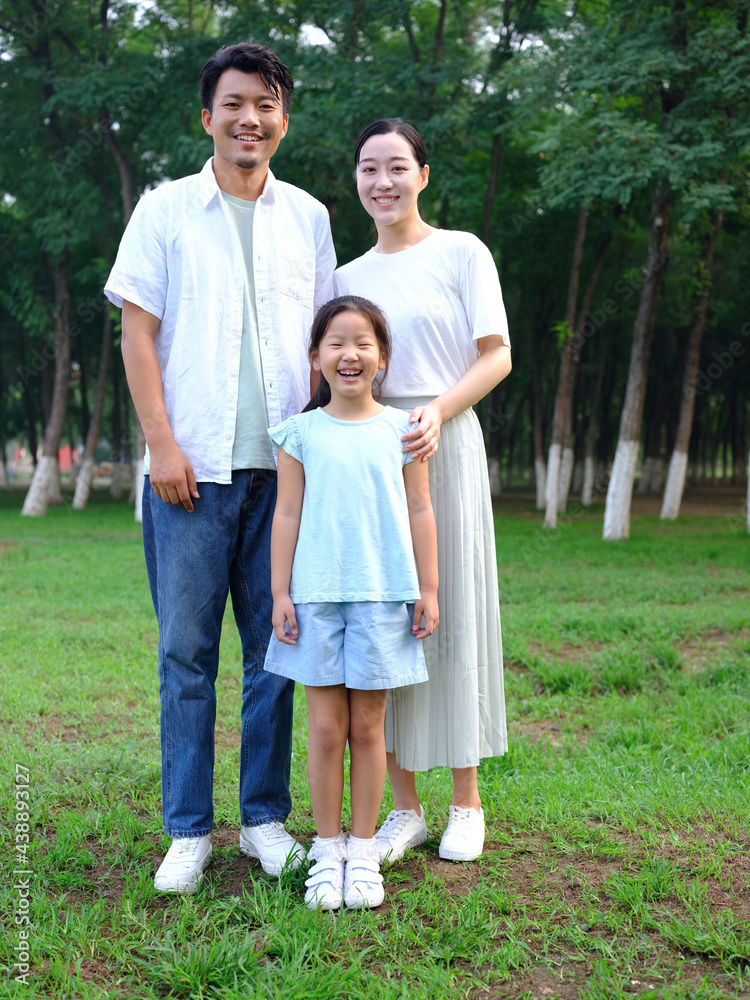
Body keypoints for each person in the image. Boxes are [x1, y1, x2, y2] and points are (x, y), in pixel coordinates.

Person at [104, 42, 336, 893]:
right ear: (208, 116)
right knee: (186, 652)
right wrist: (163, 443)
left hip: (281, 478)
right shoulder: (165, 210)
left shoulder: (308, 216)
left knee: (275, 651)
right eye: (235, 103)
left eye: (267, 104)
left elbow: (324, 345)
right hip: (189, 476)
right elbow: (137, 331)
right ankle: (189, 831)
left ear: (283, 118)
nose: (251, 118)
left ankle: (265, 821)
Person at [334, 118, 512, 863]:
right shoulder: (346, 278)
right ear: (357, 182)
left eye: (397, 166)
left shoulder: (462, 251)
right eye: (369, 168)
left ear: (423, 175)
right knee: (387, 618)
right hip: (372, 452)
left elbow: (497, 354)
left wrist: (437, 410)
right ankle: (402, 807)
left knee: (455, 611)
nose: (384, 181)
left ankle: (465, 801)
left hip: (446, 438)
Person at [264, 295, 439, 909]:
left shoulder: (404, 430)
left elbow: (420, 508)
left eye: (364, 342)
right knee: (324, 727)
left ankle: (364, 852)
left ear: (382, 358)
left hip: (383, 599)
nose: (350, 354)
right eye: (335, 342)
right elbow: (286, 513)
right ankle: (328, 848)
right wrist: (281, 592)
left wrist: (430, 588)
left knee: (368, 727)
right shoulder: (299, 433)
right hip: (314, 600)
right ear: (315, 357)